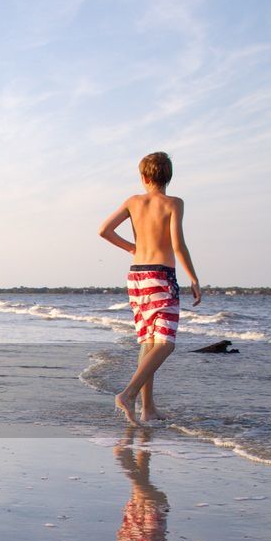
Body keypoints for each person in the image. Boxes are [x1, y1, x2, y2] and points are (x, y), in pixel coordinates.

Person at [99, 151, 202, 425]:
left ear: (143, 177)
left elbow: (104, 230)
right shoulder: (174, 203)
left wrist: (132, 247)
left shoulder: (133, 202)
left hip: (137, 277)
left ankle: (148, 408)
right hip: (161, 276)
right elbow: (178, 245)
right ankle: (129, 393)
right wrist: (193, 277)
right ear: (169, 177)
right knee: (165, 344)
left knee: (148, 342)